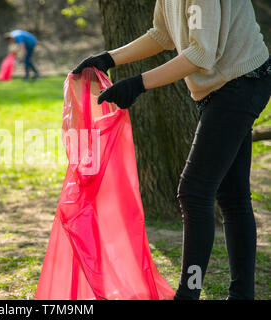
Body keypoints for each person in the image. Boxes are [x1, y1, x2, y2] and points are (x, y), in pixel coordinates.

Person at [73, 0, 270, 300]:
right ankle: (242, 295)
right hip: (223, 87)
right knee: (233, 196)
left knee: (194, 192)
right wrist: (108, 59)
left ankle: (188, 294)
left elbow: (200, 53)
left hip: (242, 82)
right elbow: (162, 35)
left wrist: (138, 83)